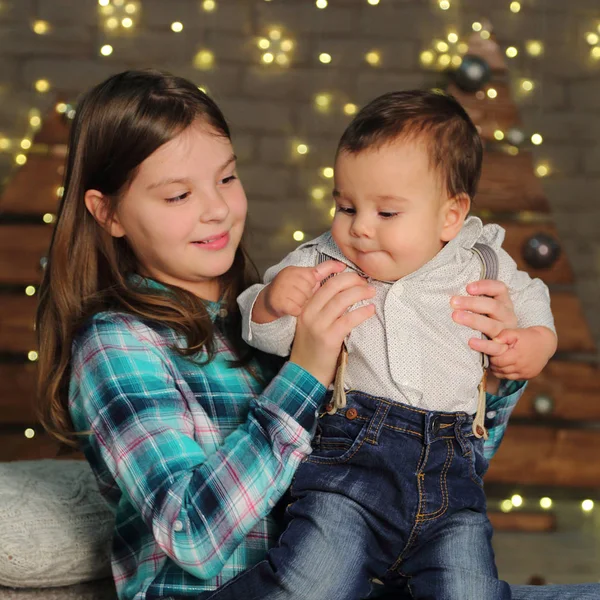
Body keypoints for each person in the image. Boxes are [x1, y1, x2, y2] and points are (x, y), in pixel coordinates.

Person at [34, 71, 598, 600]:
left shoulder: (271, 310)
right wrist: (306, 370)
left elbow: (427, 482)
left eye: (227, 178)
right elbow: (192, 538)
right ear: (107, 213)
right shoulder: (117, 345)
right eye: (178, 196)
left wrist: (489, 374)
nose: (216, 210)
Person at [209, 91, 559, 600]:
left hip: (452, 479)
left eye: (387, 212)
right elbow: (267, 335)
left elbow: (533, 302)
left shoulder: (481, 261)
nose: (361, 228)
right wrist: (271, 303)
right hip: (350, 470)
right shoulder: (324, 261)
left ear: (450, 216)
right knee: (312, 581)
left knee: (470, 591)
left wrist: (533, 344)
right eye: (345, 206)